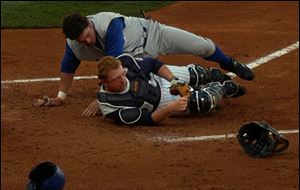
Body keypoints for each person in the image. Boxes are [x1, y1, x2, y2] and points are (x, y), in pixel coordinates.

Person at [35, 11, 254, 111]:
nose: (87, 41)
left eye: (88, 36)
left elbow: (115, 60)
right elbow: (67, 67)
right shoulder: (74, 44)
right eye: (82, 41)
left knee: (202, 46)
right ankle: (212, 84)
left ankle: (226, 64)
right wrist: (61, 96)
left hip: (153, 35)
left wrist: (102, 97)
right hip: (139, 59)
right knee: (160, 92)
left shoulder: (108, 25)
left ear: (90, 24)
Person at [94, 54, 247, 125]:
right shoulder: (111, 105)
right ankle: (224, 88)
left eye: (123, 74)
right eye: (116, 78)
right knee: (202, 102)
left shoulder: (126, 63)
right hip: (162, 103)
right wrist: (170, 109)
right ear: (103, 81)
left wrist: (175, 82)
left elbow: (153, 64)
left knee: (199, 74)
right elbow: (148, 119)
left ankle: (214, 78)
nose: (123, 79)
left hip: (161, 79)